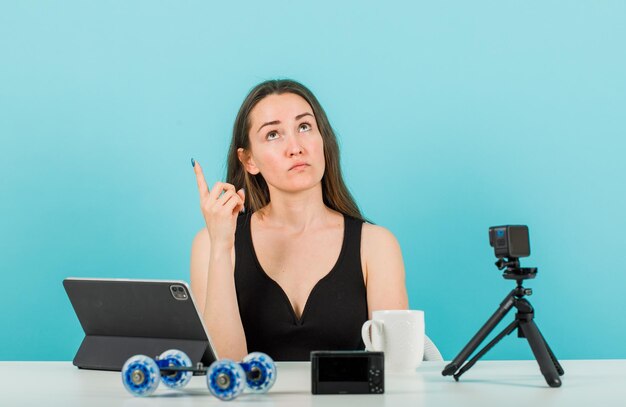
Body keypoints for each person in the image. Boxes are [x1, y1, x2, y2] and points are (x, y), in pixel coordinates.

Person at [190, 79, 408, 361]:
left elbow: (396, 370)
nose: (295, 147)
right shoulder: (211, 243)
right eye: (273, 134)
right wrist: (221, 247)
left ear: (323, 141)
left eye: (304, 127)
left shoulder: (376, 245)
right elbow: (223, 370)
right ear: (248, 161)